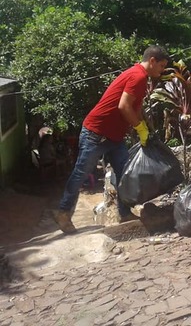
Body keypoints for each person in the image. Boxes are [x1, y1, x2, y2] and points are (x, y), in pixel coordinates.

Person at [53, 45, 170, 234]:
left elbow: (135, 107)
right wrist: (139, 128)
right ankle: (63, 212)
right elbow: (124, 106)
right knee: (81, 173)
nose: (162, 70)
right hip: (96, 133)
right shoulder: (138, 76)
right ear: (152, 61)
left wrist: (145, 126)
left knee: (124, 174)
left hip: (114, 136)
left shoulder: (139, 75)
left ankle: (124, 214)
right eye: (162, 66)